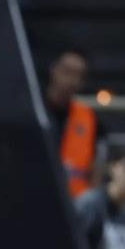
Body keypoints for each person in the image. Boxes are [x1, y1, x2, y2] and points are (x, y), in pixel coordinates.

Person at [43, 48, 103, 197]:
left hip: (74, 202)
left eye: (78, 75)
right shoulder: (32, 110)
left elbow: (94, 170)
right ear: (53, 70)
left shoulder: (88, 118)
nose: (70, 80)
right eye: (67, 71)